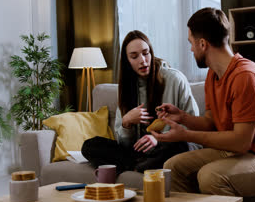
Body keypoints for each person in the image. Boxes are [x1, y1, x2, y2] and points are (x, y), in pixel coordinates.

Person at [151, 7, 255, 198]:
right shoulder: (213, 74)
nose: (190, 49)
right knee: (172, 166)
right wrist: (182, 116)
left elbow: (241, 142)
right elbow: (211, 122)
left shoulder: (245, 77)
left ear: (202, 44)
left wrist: (185, 135)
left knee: (210, 177)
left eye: (191, 43)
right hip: (233, 152)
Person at [82, 30, 199, 174]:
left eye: (146, 53)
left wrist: (159, 139)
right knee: (90, 145)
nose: (143, 60)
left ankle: (131, 166)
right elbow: (124, 144)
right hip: (138, 153)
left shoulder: (175, 79)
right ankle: (138, 166)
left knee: (180, 146)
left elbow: (193, 126)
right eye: (134, 56)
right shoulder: (126, 87)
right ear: (127, 61)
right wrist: (126, 123)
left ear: (151, 53)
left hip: (168, 146)